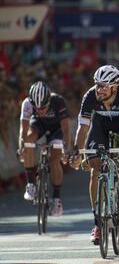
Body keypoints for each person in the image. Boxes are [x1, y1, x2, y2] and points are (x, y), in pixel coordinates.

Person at [70, 65, 119, 244]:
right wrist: (77, 150)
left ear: (115, 86)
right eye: (98, 85)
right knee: (95, 169)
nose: (99, 89)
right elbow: (83, 127)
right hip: (100, 125)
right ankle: (98, 223)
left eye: (104, 86)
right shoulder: (90, 95)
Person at [19, 80, 71, 216]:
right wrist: (22, 148)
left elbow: (66, 129)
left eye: (43, 107)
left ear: (49, 100)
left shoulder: (58, 101)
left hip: (56, 130)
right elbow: (23, 130)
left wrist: (66, 148)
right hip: (38, 126)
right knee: (28, 139)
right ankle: (30, 184)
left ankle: (57, 197)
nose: (40, 110)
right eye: (37, 108)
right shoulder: (27, 103)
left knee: (55, 160)